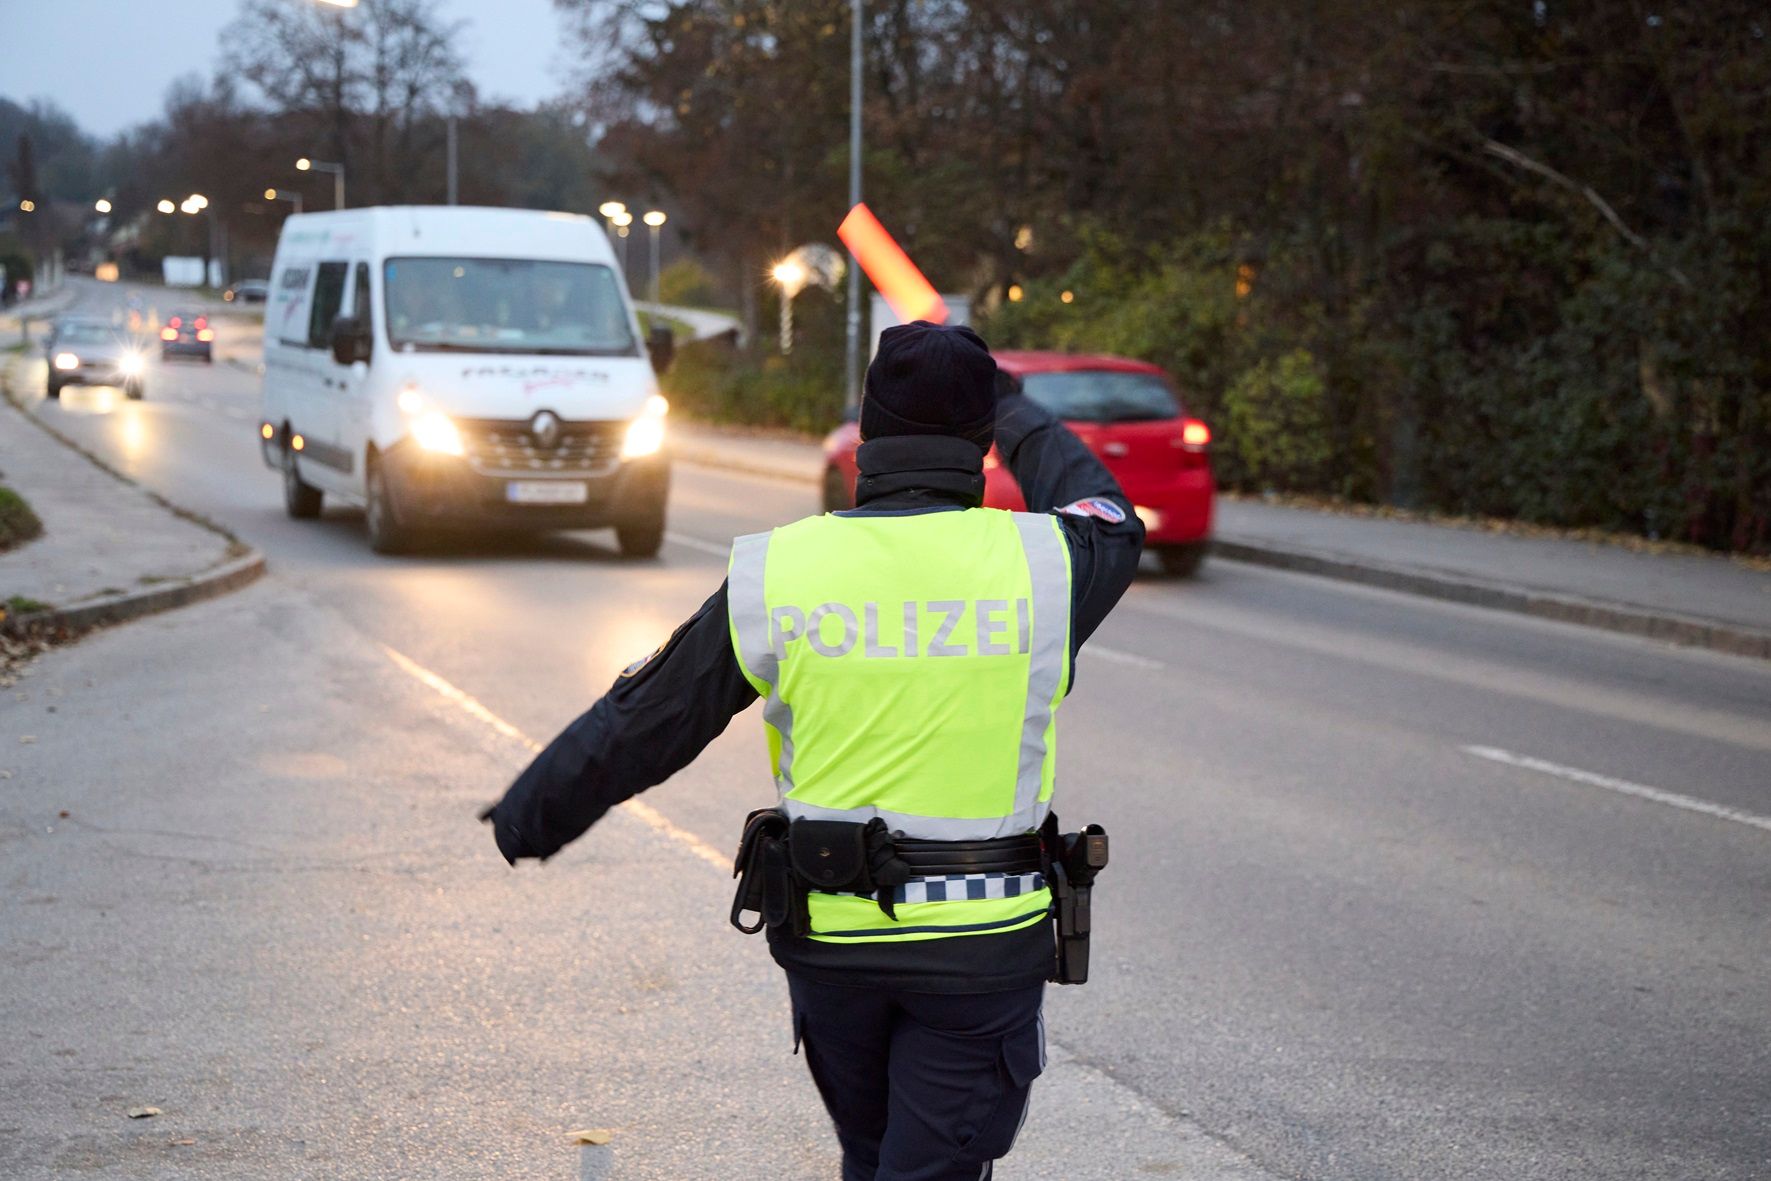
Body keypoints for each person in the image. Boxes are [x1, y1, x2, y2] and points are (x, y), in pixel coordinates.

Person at [481, 322, 1144, 1179]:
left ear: (865, 433)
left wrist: (532, 813)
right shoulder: (1048, 564)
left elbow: (653, 716)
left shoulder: (783, 568)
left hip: (832, 944)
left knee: (869, 1156)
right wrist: (1013, 411)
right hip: (980, 953)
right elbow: (1105, 508)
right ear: (980, 444)